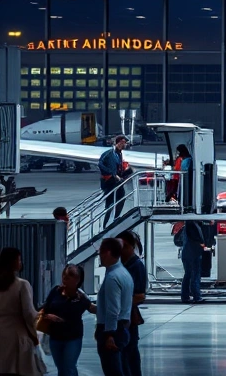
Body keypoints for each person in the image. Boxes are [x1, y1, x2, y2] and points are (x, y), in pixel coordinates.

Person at [40, 264, 96, 376]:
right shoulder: (55, 291)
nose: (65, 277)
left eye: (70, 275)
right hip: (55, 337)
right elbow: (45, 309)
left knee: (69, 367)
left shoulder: (80, 297)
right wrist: (48, 316)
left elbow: (92, 308)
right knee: (61, 369)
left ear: (77, 280)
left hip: (72, 338)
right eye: (64, 274)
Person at [0, 247, 46, 376]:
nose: (21, 263)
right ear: (14, 262)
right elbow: (29, 314)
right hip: (17, 338)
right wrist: (42, 316)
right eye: (19, 260)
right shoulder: (22, 285)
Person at [95, 238, 134, 376]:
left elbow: (113, 309)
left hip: (111, 329)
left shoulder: (112, 277)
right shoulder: (124, 273)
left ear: (107, 253)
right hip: (123, 327)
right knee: (123, 368)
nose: (100, 257)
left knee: (113, 371)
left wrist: (109, 334)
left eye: (100, 253)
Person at [116, 231, 147, 376]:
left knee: (129, 354)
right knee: (125, 355)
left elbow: (140, 296)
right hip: (123, 316)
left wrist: (120, 304)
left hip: (128, 318)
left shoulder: (136, 266)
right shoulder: (122, 264)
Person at [99, 136, 130, 226]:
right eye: (124, 142)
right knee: (109, 202)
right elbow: (100, 164)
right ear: (119, 143)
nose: (125, 144)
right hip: (109, 181)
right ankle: (106, 224)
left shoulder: (119, 153)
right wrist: (112, 174)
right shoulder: (109, 153)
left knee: (121, 197)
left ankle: (115, 218)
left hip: (116, 180)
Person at [180, 220, 208, 303]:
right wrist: (202, 243)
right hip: (193, 253)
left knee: (188, 274)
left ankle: (185, 296)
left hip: (187, 253)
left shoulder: (188, 225)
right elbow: (197, 237)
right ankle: (197, 296)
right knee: (195, 274)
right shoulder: (193, 224)